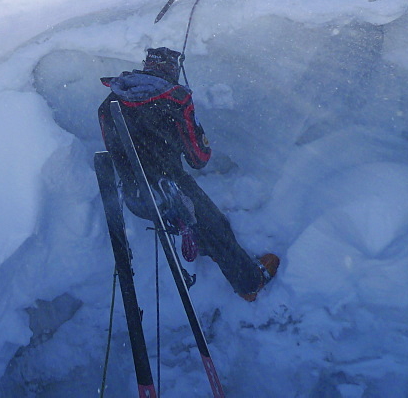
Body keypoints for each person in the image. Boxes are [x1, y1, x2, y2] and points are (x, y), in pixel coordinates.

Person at [97, 47, 279, 301]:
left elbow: (115, 152)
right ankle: (249, 282)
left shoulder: (109, 104)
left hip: (136, 196)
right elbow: (198, 159)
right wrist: (195, 128)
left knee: (196, 221)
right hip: (171, 191)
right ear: (172, 70)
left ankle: (203, 242)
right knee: (217, 227)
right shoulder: (175, 99)